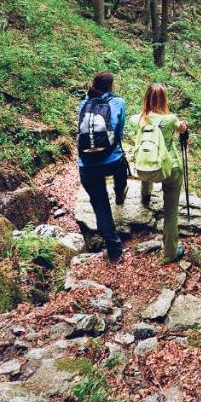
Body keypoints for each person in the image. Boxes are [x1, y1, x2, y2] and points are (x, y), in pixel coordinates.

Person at [126, 83, 188, 264]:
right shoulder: (170, 120)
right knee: (170, 211)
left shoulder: (136, 120)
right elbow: (182, 128)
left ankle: (146, 195)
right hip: (169, 169)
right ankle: (170, 253)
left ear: (146, 98)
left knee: (148, 161)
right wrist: (183, 125)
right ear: (164, 100)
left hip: (144, 169)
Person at [76, 71, 128, 262]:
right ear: (111, 87)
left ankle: (115, 252)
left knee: (101, 207)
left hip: (87, 166)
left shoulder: (83, 103)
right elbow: (119, 132)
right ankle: (120, 191)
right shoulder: (118, 103)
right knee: (121, 164)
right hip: (112, 160)